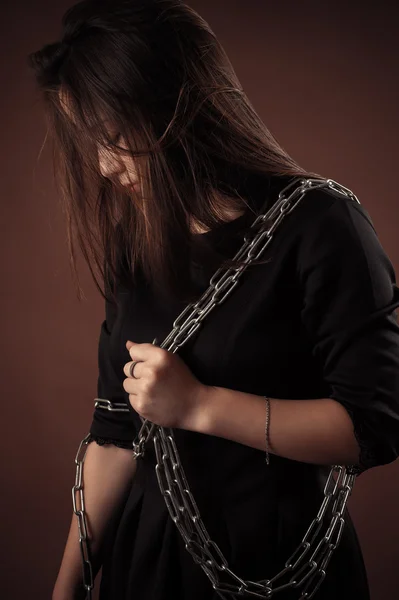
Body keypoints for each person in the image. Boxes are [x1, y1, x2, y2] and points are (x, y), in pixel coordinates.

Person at [28, 1, 399, 599]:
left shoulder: (322, 224)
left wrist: (200, 406)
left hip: (289, 571)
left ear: (175, 108)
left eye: (115, 138)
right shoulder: (139, 246)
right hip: (146, 571)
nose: (101, 166)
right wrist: (66, 585)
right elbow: (115, 434)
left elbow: (375, 424)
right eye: (87, 143)